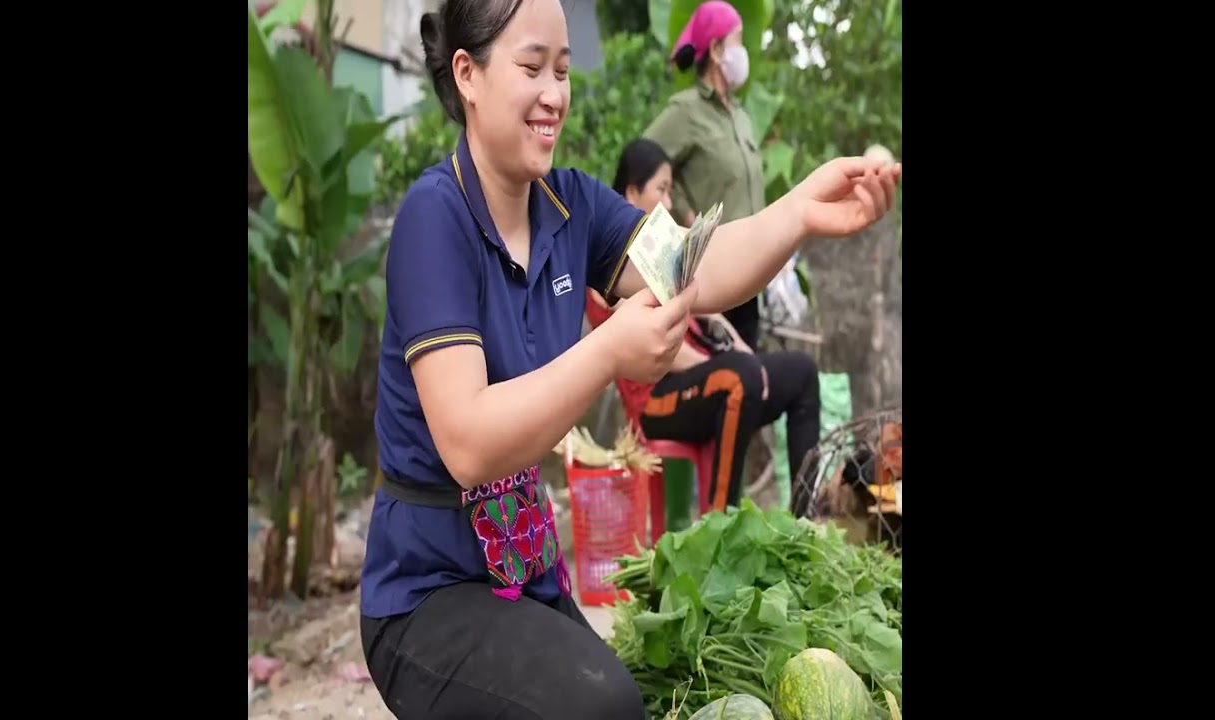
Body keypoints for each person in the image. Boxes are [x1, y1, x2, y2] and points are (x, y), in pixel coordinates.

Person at [360, 0, 900, 716]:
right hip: (428, 588)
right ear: (468, 74)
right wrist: (610, 346)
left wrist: (799, 209)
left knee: (631, 695)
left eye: (562, 69)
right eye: (530, 68)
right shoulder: (436, 219)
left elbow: (694, 264)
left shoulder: (571, 206)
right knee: (601, 706)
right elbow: (467, 443)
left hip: (523, 565)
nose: (554, 93)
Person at [609, 138, 821, 514]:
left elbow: (706, 308)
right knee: (736, 378)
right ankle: (721, 525)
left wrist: (741, 350)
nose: (669, 204)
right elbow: (651, 345)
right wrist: (728, 366)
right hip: (655, 401)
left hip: (708, 379)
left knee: (800, 372)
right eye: (661, 190)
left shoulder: (662, 250)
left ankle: (804, 519)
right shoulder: (611, 265)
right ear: (631, 192)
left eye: (671, 191)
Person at [644, 0, 767, 349]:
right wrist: (682, 211)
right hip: (714, 273)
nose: (743, 51)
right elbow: (642, 164)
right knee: (728, 374)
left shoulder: (740, 116)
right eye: (738, 40)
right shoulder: (685, 111)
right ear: (715, 49)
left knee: (752, 369)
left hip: (753, 269)